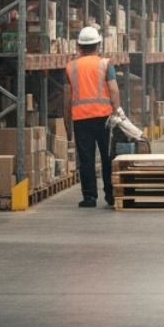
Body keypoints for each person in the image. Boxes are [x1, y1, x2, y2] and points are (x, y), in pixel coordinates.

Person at [67, 25, 122, 208]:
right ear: (98, 45)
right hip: (103, 117)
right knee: (107, 157)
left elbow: (70, 93)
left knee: (86, 159)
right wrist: (117, 111)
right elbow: (113, 89)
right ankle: (110, 195)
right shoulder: (105, 64)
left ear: (79, 46)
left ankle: (89, 197)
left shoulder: (71, 66)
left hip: (81, 119)